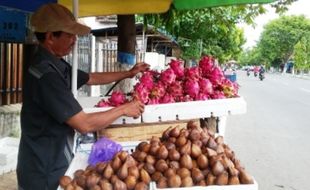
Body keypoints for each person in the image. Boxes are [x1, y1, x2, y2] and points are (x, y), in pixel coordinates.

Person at [17, 3, 149, 190]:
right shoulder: (45, 76)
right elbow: (84, 124)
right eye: (69, 35)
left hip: (53, 158)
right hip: (43, 169)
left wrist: (128, 73)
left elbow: (91, 78)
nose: (74, 40)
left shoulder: (56, 64)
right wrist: (124, 109)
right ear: (50, 37)